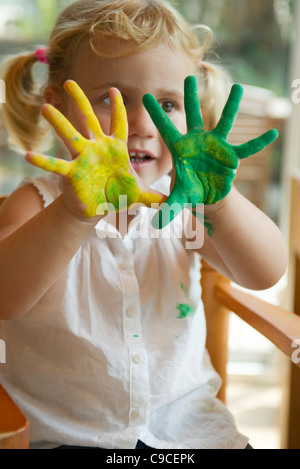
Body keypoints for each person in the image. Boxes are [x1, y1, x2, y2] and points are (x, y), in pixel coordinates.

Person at [0, 0, 287, 450]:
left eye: (166, 104)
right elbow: (4, 298)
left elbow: (265, 272)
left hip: (193, 435)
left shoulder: (190, 204)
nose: (139, 124)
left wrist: (222, 201)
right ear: (59, 108)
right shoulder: (36, 204)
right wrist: (72, 215)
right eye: (109, 100)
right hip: (68, 438)